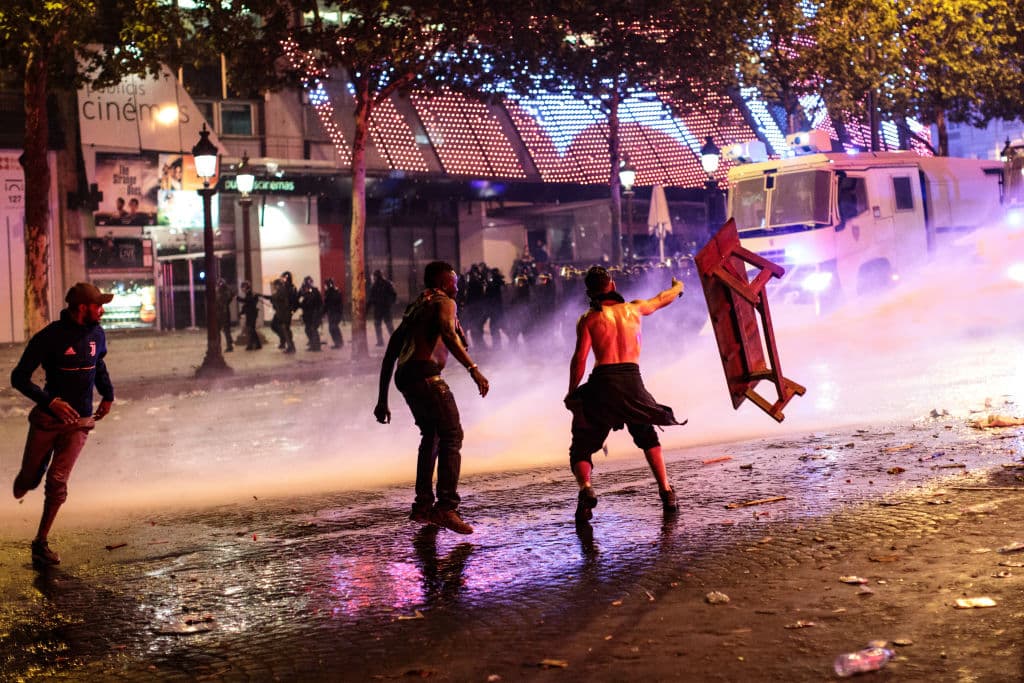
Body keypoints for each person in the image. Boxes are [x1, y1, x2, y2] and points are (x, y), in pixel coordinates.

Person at [374, 261, 489, 535]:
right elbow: (449, 335)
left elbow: (391, 353)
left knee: (432, 436)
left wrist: (382, 399)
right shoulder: (443, 302)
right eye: (454, 281)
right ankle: (446, 508)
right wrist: (474, 370)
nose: (457, 287)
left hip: (407, 376)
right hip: (425, 375)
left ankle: (423, 506)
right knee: (452, 435)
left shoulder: (417, 306)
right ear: (442, 281)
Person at [565, 266, 685, 523]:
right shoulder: (634, 308)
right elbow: (662, 299)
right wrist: (678, 287)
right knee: (646, 435)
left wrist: (572, 392)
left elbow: (580, 360)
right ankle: (666, 491)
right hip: (632, 382)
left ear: (589, 292)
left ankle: (586, 488)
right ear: (613, 284)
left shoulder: (588, 319)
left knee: (582, 447)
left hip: (602, 385)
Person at [11, 283, 115, 567]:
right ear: (83, 308)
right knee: (29, 479)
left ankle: (40, 543)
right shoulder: (49, 338)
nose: (102, 311)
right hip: (47, 421)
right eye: (98, 306)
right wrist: (49, 401)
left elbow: (99, 365)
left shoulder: (98, 334)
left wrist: (108, 395)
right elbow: (18, 377)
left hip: (79, 422)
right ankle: (30, 476)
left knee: (57, 482)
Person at [368, 269, 397, 346]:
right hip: (386, 308)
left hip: (378, 309)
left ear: (376, 276)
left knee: (378, 325)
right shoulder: (388, 283)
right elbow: (394, 294)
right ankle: (396, 341)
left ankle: (380, 342)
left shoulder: (374, 285)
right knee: (389, 325)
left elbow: (371, 299)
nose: (373, 278)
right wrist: (390, 303)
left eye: (374, 276)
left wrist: (367, 309)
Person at [297, 275, 324, 351]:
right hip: (307, 314)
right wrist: (301, 292)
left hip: (314, 314)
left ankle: (317, 347)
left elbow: (314, 302)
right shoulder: (304, 291)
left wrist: (319, 314)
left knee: (313, 329)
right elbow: (298, 299)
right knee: (308, 329)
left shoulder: (314, 291)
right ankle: (313, 345)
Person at [270, 277, 296, 354]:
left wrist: (271, 297)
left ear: (278, 285)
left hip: (284, 314)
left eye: (275, 285)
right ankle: (289, 346)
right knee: (284, 330)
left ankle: (291, 347)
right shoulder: (281, 291)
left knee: (286, 330)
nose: (274, 287)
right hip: (283, 314)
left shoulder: (281, 291)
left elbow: (276, 298)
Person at [236, 280, 262, 351]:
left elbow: (247, 301)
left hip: (252, 315)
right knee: (251, 330)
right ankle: (253, 345)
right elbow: (246, 305)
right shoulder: (249, 294)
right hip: (250, 314)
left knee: (251, 329)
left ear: (246, 287)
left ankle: (255, 345)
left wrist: (239, 299)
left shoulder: (250, 294)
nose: (242, 289)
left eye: (242, 287)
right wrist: (241, 312)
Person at [323, 277, 344, 349]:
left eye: (325, 285)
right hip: (331, 313)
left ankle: (339, 343)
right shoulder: (328, 292)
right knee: (332, 328)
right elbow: (326, 304)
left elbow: (335, 302)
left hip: (336, 313)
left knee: (333, 327)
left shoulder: (334, 292)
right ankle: (338, 342)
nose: (324, 287)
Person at [216, 278, 234, 352]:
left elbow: (224, 301)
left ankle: (228, 345)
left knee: (225, 330)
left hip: (223, 313)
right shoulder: (221, 292)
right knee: (224, 330)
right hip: (221, 313)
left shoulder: (223, 292)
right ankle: (226, 344)